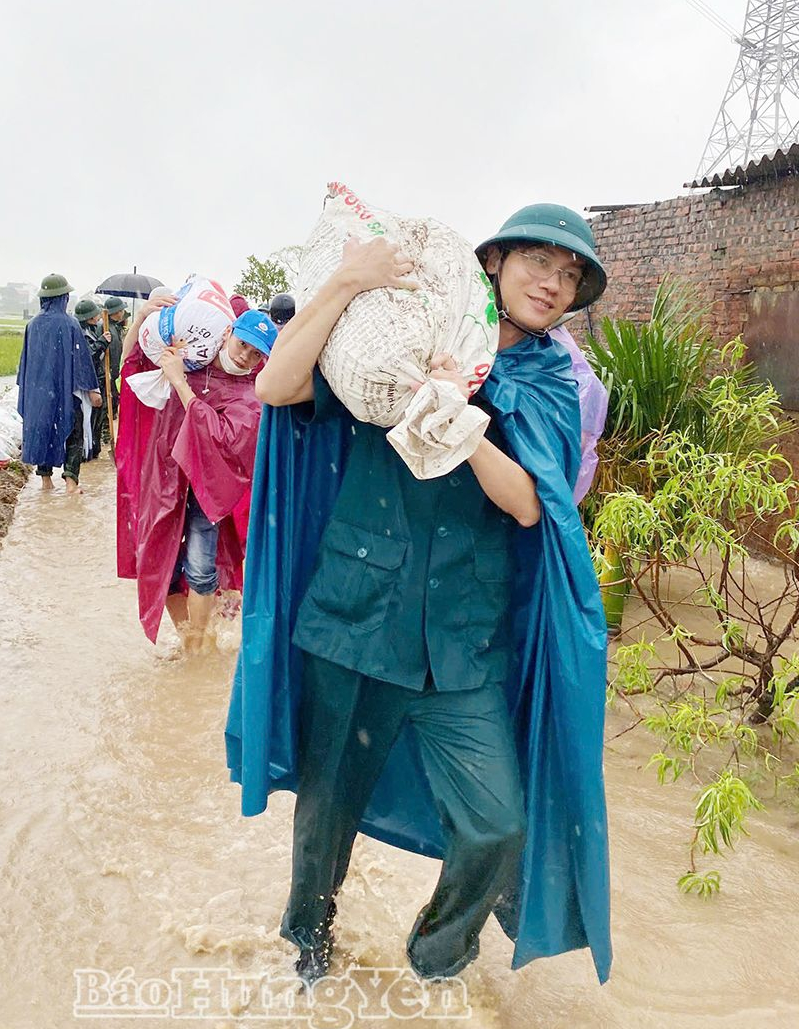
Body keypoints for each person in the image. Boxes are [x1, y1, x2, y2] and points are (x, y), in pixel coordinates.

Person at [225, 204, 612, 986]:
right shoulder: (394, 338)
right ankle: (307, 944)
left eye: (570, 276)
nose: (554, 283)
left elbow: (532, 504)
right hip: (354, 619)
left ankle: (435, 955)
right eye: (540, 262)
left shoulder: (549, 384)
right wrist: (345, 282)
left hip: (461, 645)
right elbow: (275, 384)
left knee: (496, 823)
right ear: (494, 263)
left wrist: (459, 425)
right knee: (326, 813)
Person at [115, 300, 277, 650]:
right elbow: (130, 369)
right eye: (242, 344)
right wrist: (142, 319)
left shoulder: (252, 396)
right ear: (228, 334)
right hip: (167, 479)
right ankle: (188, 638)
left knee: (202, 567)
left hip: (207, 490)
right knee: (162, 564)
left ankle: (199, 648)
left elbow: (218, 434)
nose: (245, 356)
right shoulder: (191, 358)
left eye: (255, 354)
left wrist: (178, 382)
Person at [17, 274, 102, 494]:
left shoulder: (32, 325)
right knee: (73, 434)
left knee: (43, 431)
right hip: (65, 393)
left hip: (38, 395)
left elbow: (25, 363)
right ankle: (71, 484)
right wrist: (92, 389)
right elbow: (81, 361)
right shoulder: (70, 324)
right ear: (62, 298)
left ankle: (46, 481)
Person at [73, 298, 112, 461]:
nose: (98, 318)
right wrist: (102, 342)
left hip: (95, 380)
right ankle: (86, 452)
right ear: (89, 317)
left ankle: (92, 450)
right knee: (86, 421)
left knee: (94, 419)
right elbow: (87, 356)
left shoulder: (90, 330)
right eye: (95, 315)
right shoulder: (81, 334)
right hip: (87, 385)